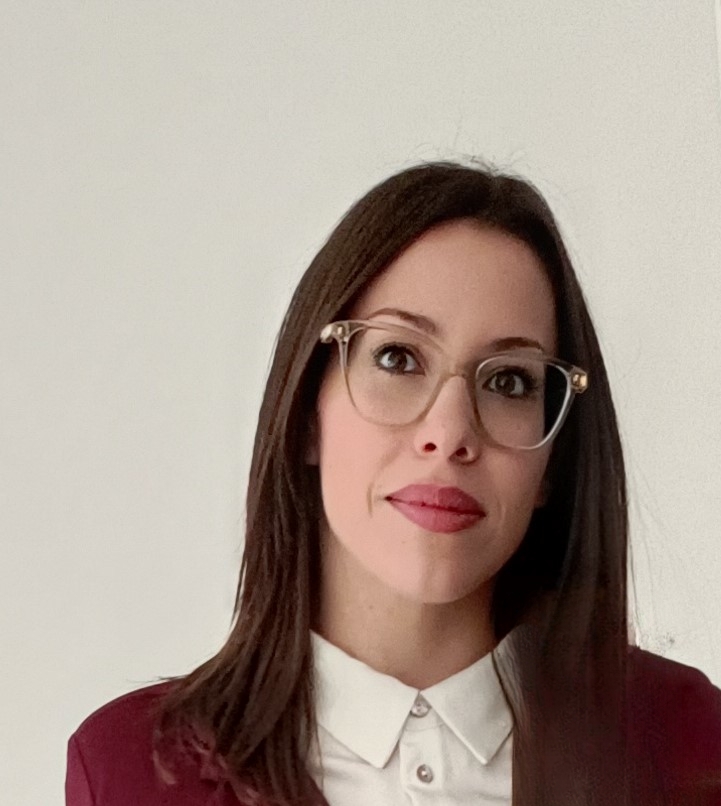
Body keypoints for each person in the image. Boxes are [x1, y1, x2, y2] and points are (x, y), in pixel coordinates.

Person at [65, 161, 721, 806]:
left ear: (553, 458)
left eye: (508, 381)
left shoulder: (691, 744)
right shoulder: (129, 772)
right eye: (398, 357)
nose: (450, 432)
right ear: (307, 414)